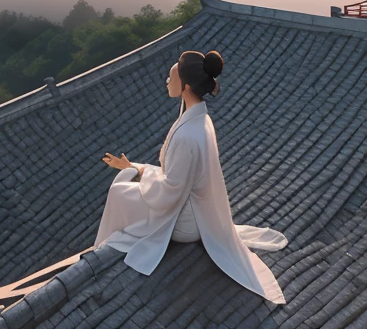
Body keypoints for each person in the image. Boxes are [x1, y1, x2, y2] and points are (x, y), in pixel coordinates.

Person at [95, 50, 288, 304]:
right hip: (190, 206)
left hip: (186, 222)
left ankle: (99, 254)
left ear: (185, 86)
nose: (166, 80)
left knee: (118, 191)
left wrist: (138, 174)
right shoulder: (199, 120)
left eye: (171, 76)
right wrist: (136, 167)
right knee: (126, 181)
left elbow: (170, 191)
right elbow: (175, 179)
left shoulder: (188, 134)